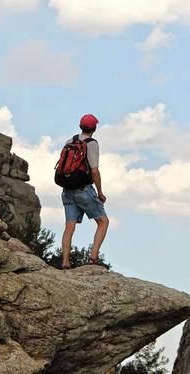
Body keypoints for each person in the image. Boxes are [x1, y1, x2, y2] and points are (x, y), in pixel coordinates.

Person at [61, 114, 109, 270]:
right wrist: (100, 192)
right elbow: (94, 171)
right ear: (94, 128)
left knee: (69, 226)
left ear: (80, 126)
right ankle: (93, 257)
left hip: (67, 189)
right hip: (83, 190)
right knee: (103, 222)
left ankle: (65, 263)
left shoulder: (70, 141)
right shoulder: (92, 144)